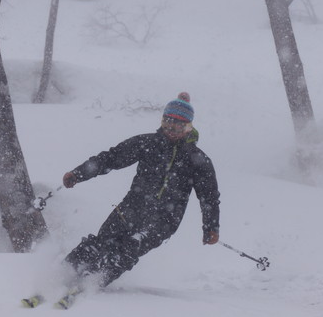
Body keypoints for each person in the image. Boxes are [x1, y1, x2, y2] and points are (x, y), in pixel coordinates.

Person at [61, 92, 220, 288]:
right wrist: (79, 173)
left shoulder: (197, 159)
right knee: (102, 241)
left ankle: (94, 280)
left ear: (188, 128)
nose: (171, 129)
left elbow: (209, 197)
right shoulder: (147, 143)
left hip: (165, 218)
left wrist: (211, 227)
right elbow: (111, 158)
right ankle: (63, 272)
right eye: (167, 122)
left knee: (130, 247)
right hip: (132, 206)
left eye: (178, 125)